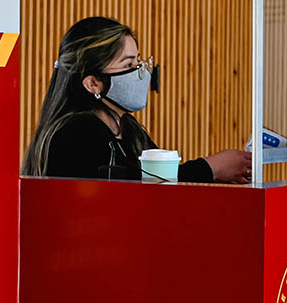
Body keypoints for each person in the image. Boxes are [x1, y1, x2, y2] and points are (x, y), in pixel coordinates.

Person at [22, 17, 251, 183]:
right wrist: (211, 169)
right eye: (128, 64)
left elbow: (159, 183)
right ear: (93, 83)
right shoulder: (76, 133)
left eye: (139, 61)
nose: (140, 72)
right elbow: (133, 186)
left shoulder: (128, 128)